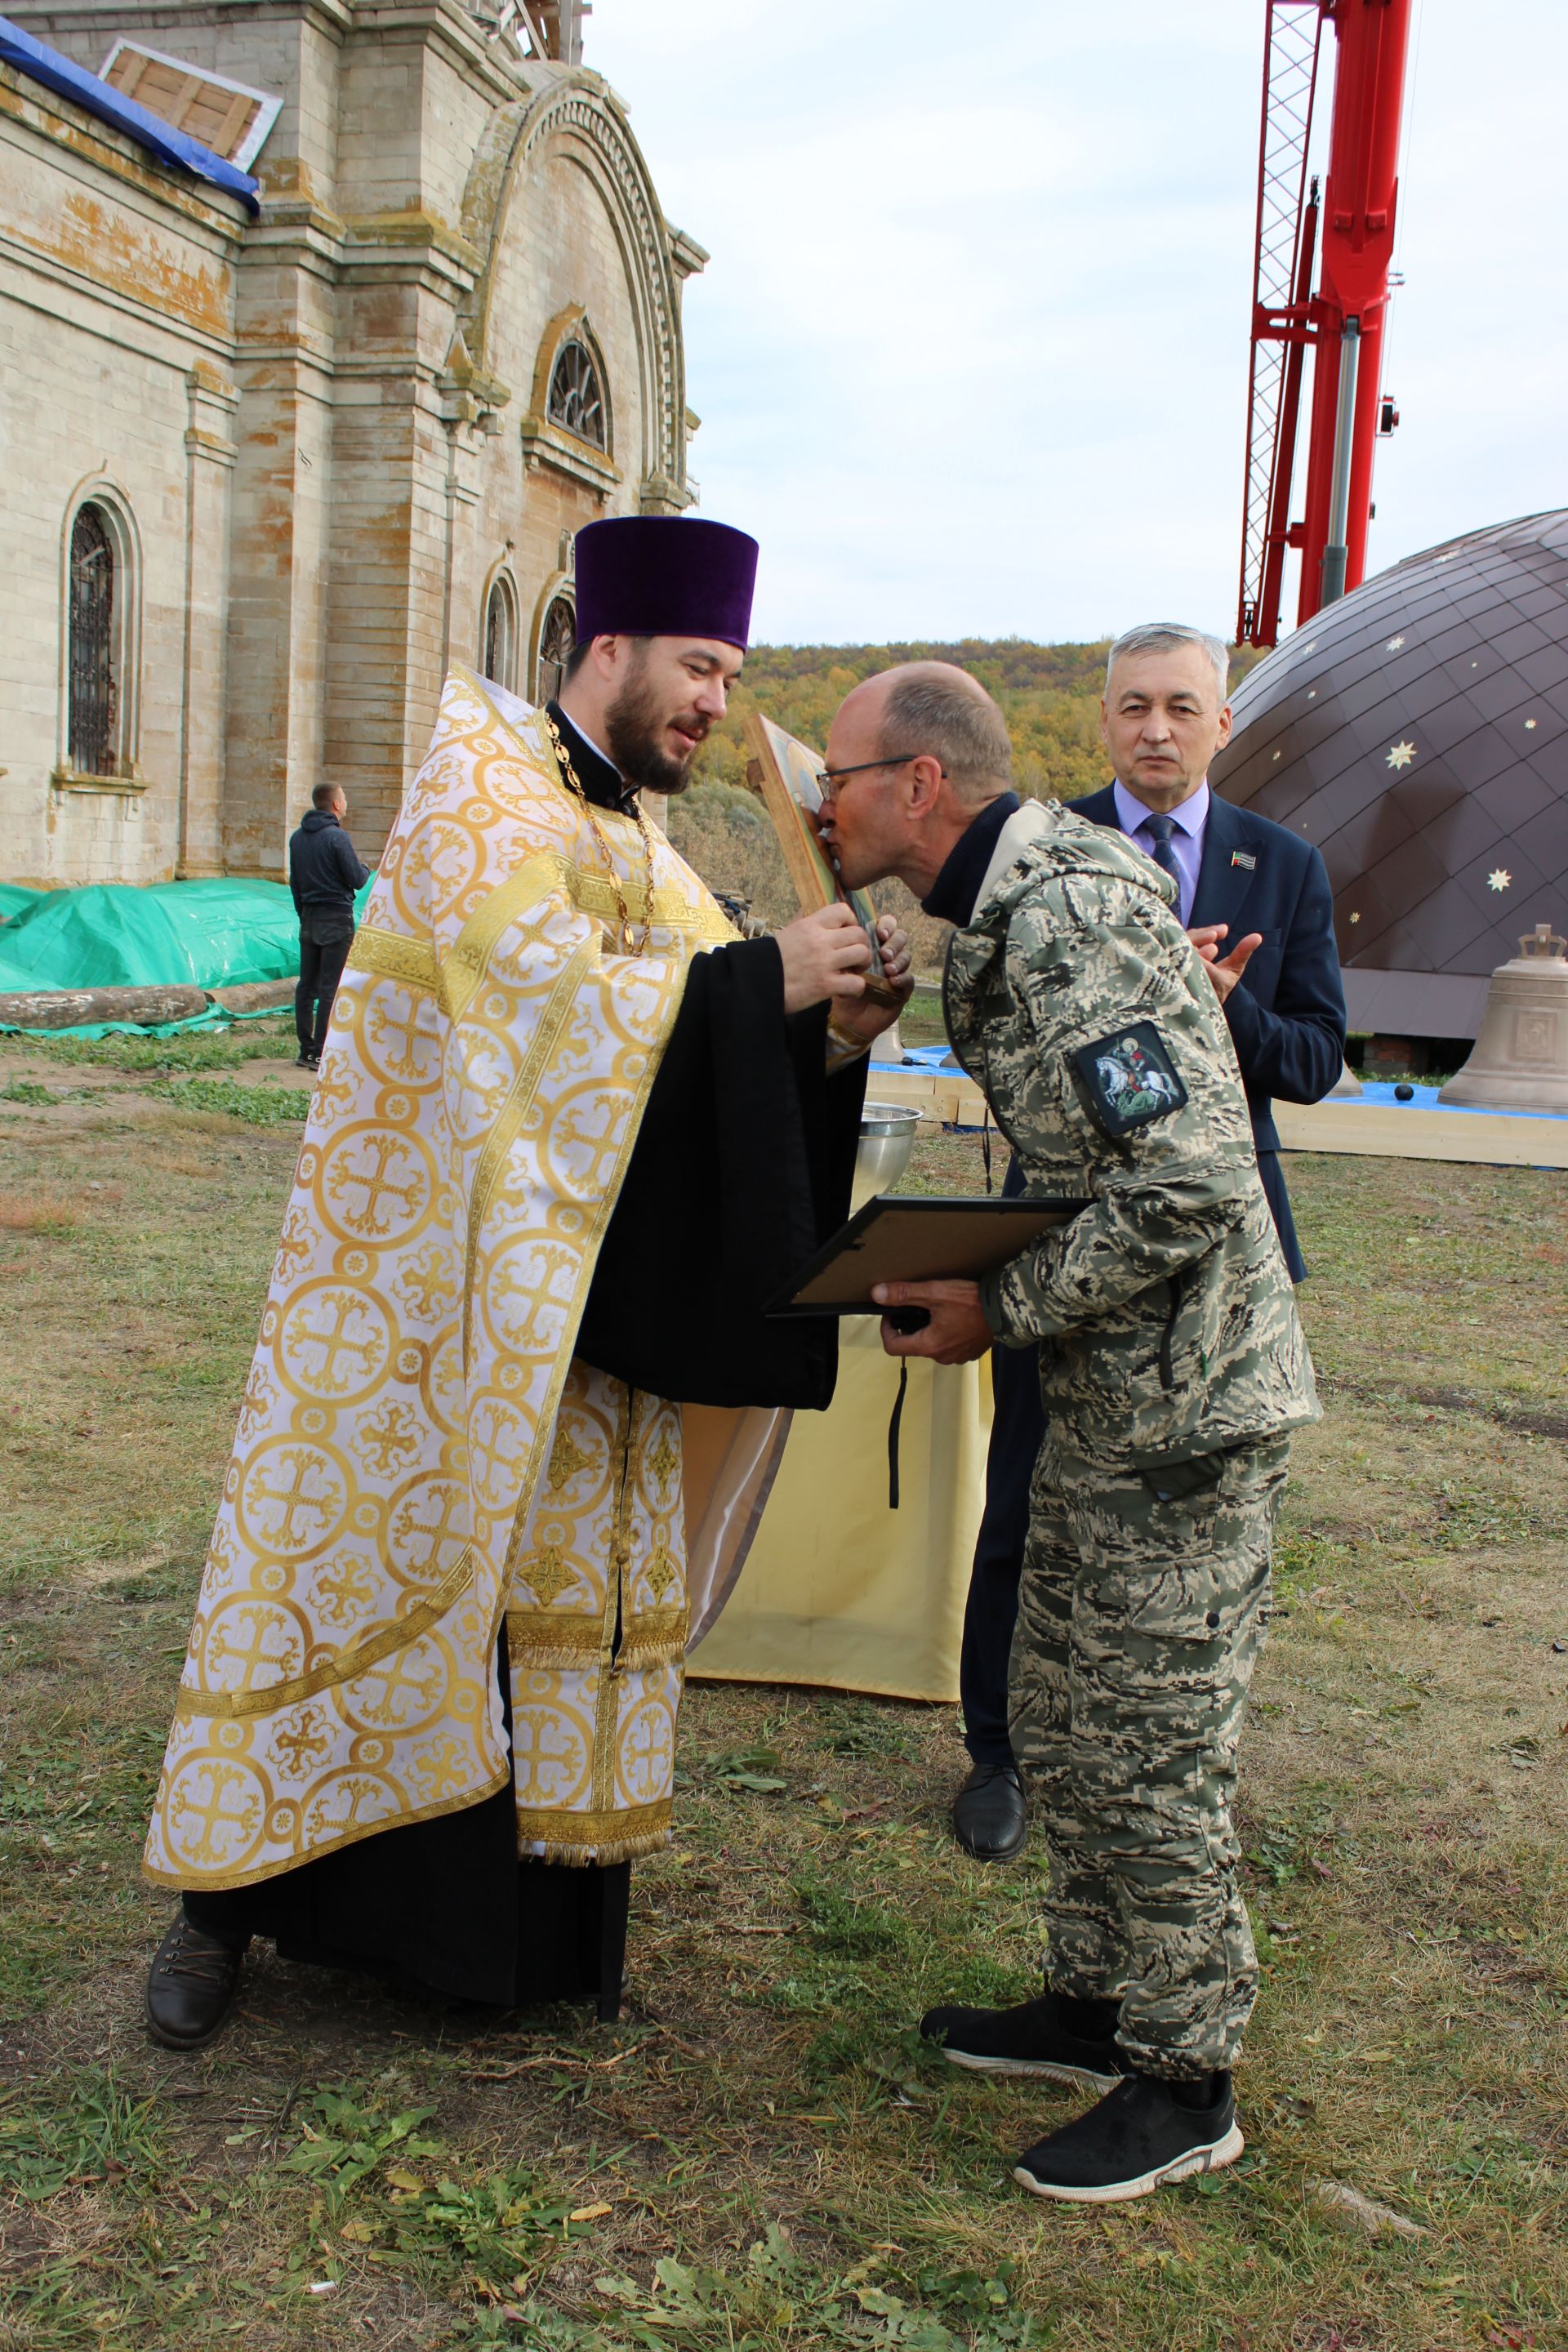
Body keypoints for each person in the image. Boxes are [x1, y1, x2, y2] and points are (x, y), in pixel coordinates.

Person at [141, 514, 912, 2051]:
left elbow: (708, 1022)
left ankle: (498, 1948)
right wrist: (770, 972)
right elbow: (542, 1000)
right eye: (699, 669)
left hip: (568, 1315)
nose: (712, 701)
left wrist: (824, 1018)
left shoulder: (643, 836)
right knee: (351, 1572)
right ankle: (221, 1906)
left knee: (520, 1608)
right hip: (429, 1302)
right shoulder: (481, 785)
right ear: (607, 646)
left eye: (731, 676)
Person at [818, 660, 1318, 2203]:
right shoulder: (1015, 907)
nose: (820, 801)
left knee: (1154, 1744)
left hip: (1183, 1403)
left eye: (838, 775)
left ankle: (1187, 2077)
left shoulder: (1068, 915)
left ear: (918, 785)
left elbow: (1188, 1178)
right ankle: (1097, 2004)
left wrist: (1002, 1307)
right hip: (1119, 1390)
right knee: (1071, 1709)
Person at [954, 622, 1346, 1865]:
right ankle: (999, 1755)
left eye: (1182, 706)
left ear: (1222, 723)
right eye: (1133, 706)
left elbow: (1320, 1062)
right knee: (1024, 1499)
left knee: (1179, 1520)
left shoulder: (1281, 867)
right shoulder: (1038, 850)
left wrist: (1214, 1008)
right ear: (1103, 719)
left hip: (1212, 1239)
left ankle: (1161, 1753)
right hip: (1061, 1234)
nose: (1156, 729)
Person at [288, 783, 372, 1070]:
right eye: (344, 797)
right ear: (336, 804)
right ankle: (321, 1051)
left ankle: (305, 1049)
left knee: (306, 986)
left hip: (309, 917)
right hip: (336, 917)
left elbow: (295, 883)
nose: (346, 802)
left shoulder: (297, 838)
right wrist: (366, 869)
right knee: (329, 988)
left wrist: (303, 913)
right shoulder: (338, 838)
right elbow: (356, 879)